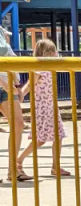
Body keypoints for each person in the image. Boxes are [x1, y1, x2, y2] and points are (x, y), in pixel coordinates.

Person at [16, 39, 70, 179]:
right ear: (45, 53)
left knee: (58, 136)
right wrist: (21, 94)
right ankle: (19, 160)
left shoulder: (50, 66)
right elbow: (30, 84)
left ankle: (55, 166)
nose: (54, 54)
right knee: (40, 139)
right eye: (51, 51)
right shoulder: (39, 68)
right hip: (43, 108)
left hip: (51, 106)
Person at [0, 26, 24, 183]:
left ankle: (12, 169)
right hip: (3, 83)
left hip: (7, 83)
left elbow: (9, 58)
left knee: (18, 124)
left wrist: (15, 83)